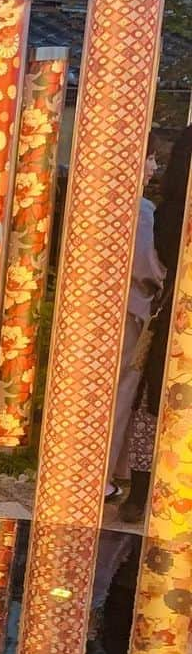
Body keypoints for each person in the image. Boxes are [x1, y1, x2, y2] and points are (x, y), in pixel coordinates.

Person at [119, 124, 192, 524]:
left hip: (169, 315)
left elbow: (161, 258)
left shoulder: (166, 212)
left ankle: (142, 493)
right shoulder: (158, 212)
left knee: (152, 400)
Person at [106, 131, 166, 499]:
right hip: (132, 312)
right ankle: (106, 476)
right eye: (150, 158)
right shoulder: (142, 211)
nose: (154, 166)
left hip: (100, 310)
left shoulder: (104, 205)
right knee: (120, 394)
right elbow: (149, 267)